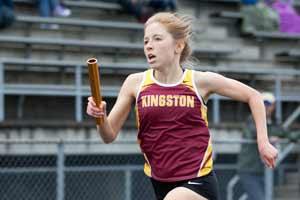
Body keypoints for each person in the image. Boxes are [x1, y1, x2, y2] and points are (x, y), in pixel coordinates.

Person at [86, 12, 278, 200]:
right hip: (159, 182)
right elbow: (108, 135)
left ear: (178, 46)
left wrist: (263, 141)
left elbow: (254, 96)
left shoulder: (199, 81)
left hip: (198, 181)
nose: (149, 46)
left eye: (157, 39)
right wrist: (100, 116)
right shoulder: (135, 83)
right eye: (146, 41)